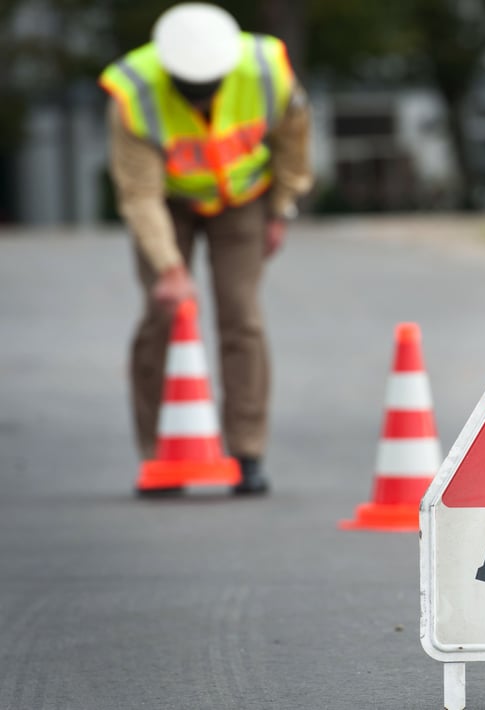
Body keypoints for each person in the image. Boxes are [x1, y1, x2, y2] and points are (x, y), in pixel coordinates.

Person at [99, 3, 313, 495]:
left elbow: (294, 141)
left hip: (243, 200)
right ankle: (159, 456)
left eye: (209, 90)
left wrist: (281, 209)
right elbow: (139, 195)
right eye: (190, 92)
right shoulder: (134, 93)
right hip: (168, 202)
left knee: (242, 316)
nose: (200, 102)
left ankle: (247, 451)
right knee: (164, 315)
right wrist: (170, 267)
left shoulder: (265, 71)